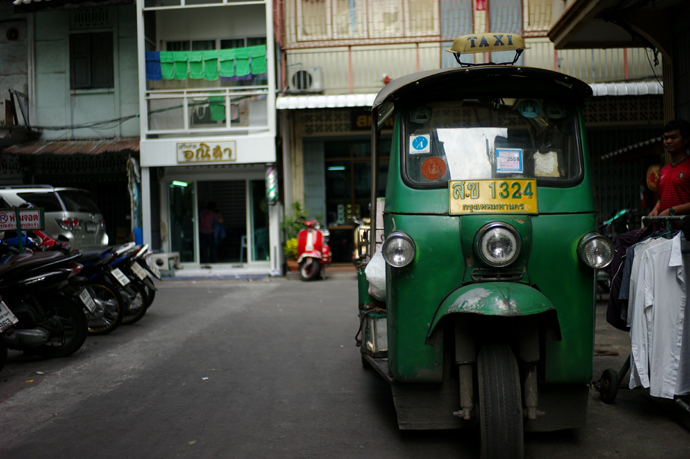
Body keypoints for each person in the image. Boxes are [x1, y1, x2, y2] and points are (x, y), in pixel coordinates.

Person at [649, 119, 690, 216]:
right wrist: (656, 209)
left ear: (686, 139)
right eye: (666, 138)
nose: (668, 141)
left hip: (686, 229)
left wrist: (672, 211)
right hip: (666, 230)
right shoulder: (664, 170)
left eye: (673, 137)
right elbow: (662, 197)